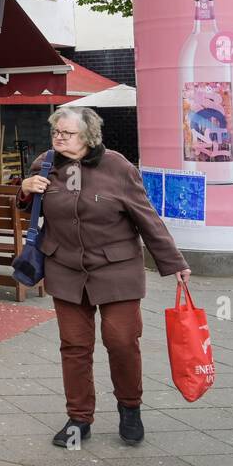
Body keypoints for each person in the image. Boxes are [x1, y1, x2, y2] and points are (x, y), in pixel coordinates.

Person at [18, 107, 190, 448]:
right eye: (56, 132)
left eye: (67, 133)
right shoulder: (45, 164)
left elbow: (147, 218)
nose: (59, 138)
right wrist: (24, 189)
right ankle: (79, 418)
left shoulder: (119, 167)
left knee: (122, 342)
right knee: (75, 346)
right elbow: (28, 207)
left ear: (89, 136)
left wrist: (174, 262)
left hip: (116, 269)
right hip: (65, 268)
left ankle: (130, 408)